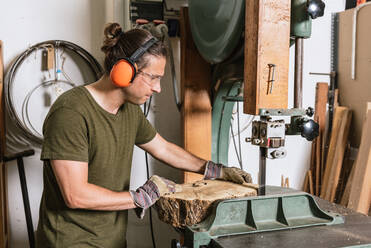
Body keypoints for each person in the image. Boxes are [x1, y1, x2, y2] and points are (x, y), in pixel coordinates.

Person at [35, 23, 252, 248]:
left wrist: (216, 170)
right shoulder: (71, 112)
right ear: (124, 71)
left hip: (112, 241)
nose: (158, 88)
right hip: (71, 243)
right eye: (153, 78)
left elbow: (163, 148)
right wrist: (141, 197)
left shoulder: (129, 110)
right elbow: (75, 195)